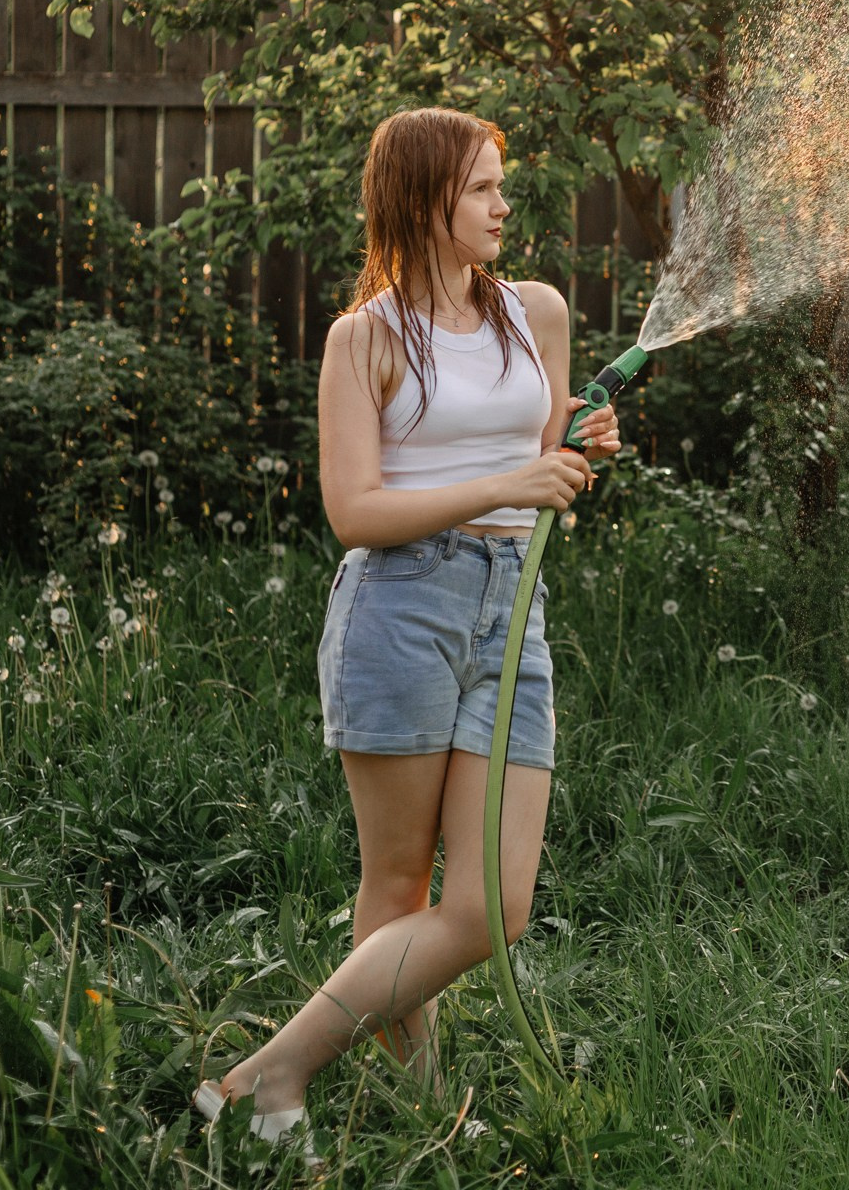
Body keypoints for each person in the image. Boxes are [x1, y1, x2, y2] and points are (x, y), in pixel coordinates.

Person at [194, 108, 619, 1150]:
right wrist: (511, 477)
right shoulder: (366, 338)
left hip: (514, 609)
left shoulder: (540, 312)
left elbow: (549, 449)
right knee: (396, 882)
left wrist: (585, 444)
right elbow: (354, 510)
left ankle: (272, 1066)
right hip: (400, 605)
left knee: (494, 908)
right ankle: (422, 1110)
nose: (501, 205)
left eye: (499, 185)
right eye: (480, 188)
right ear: (424, 200)